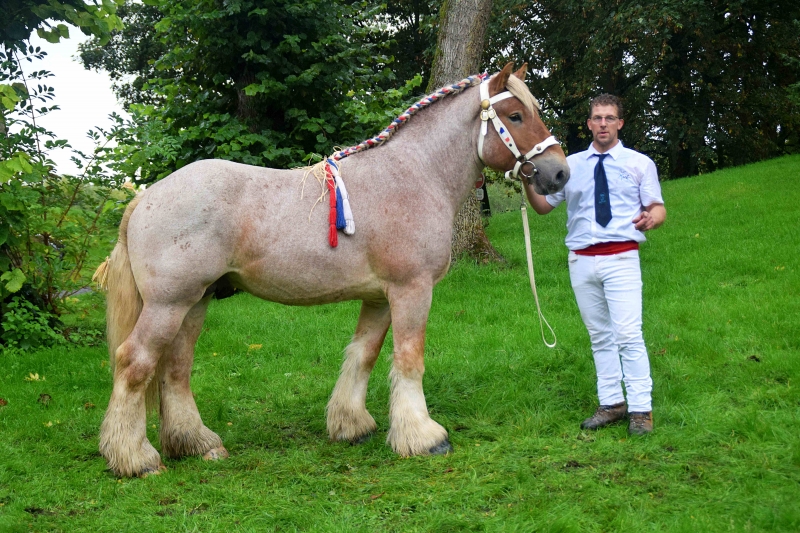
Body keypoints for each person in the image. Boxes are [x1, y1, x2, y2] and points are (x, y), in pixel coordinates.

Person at [526, 94, 666, 435]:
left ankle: (640, 409)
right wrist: (527, 180)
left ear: (620, 123)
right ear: (588, 123)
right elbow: (544, 207)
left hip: (621, 257)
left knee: (628, 335)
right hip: (582, 261)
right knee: (600, 336)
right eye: (597, 118)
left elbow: (657, 207)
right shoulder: (571, 165)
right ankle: (611, 403)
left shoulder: (639, 163)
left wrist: (653, 218)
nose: (603, 123)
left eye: (610, 118)